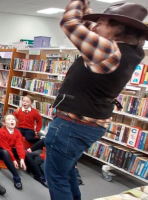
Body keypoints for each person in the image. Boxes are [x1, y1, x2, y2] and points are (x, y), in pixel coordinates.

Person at [45, 2, 148, 200]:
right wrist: (93, 16)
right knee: (66, 173)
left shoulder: (109, 51)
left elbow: (70, 23)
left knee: (56, 177)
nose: (95, 26)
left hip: (72, 126)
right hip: (87, 124)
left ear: (118, 29)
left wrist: (81, 2)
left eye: (101, 23)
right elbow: (88, 27)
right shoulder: (129, 51)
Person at [0, 114, 27, 190]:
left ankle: (40, 176)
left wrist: (22, 158)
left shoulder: (17, 132)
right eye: (9, 119)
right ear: (4, 123)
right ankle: (16, 177)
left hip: (8, 148)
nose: (11, 121)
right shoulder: (1, 132)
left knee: (25, 152)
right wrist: (13, 160)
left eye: (13, 119)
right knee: (5, 152)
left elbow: (19, 145)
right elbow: (5, 147)